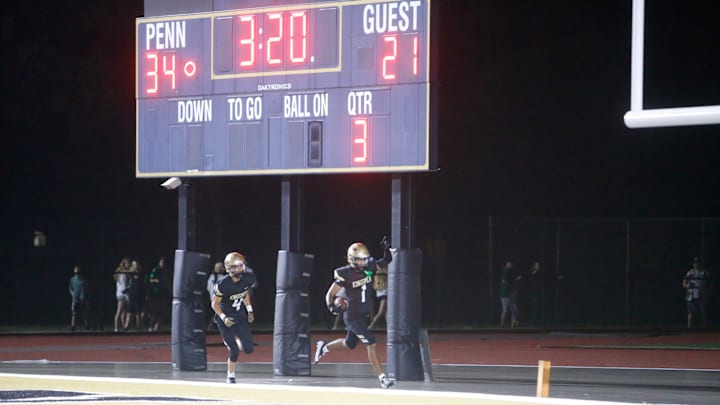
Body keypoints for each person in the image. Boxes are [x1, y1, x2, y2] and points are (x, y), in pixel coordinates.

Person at [314, 238, 394, 389]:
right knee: (371, 343)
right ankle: (382, 378)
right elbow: (330, 294)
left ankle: (324, 347)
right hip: (352, 316)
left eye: (365, 259)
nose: (364, 262)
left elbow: (385, 261)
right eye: (360, 259)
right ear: (352, 259)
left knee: (349, 344)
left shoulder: (369, 267)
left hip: (364, 315)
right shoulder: (345, 273)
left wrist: (386, 250)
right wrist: (331, 306)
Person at [211, 252, 257, 384]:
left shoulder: (248, 278)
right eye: (237, 266)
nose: (240, 269)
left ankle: (237, 339)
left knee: (249, 349)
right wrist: (224, 317)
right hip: (225, 320)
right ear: (229, 268)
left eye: (242, 265)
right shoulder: (223, 284)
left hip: (240, 317)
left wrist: (249, 310)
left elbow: (245, 292)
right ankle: (230, 375)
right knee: (234, 350)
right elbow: (214, 303)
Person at [683, 257, 712, 328]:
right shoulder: (690, 273)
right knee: (691, 312)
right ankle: (689, 328)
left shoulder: (705, 273)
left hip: (702, 294)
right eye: (695, 263)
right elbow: (684, 282)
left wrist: (708, 292)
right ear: (693, 264)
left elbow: (711, 283)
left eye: (698, 262)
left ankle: (703, 327)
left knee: (703, 311)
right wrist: (687, 285)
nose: (697, 264)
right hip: (692, 295)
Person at [145, 257, 171, 332]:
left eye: (164, 263)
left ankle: (157, 325)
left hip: (164, 294)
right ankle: (150, 326)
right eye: (161, 262)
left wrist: (170, 292)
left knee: (165, 312)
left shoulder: (166, 271)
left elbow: (168, 283)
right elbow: (150, 279)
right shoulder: (155, 270)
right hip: (156, 293)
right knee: (155, 311)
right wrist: (155, 280)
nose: (162, 264)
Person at [124, 260, 145, 331]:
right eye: (133, 265)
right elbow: (128, 275)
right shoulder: (131, 273)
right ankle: (126, 327)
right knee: (129, 312)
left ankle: (139, 328)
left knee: (137, 312)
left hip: (138, 295)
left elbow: (136, 278)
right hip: (131, 295)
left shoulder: (140, 274)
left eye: (136, 264)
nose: (134, 266)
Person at [68, 265, 89, 331]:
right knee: (74, 313)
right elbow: (70, 288)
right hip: (75, 299)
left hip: (83, 300)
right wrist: (73, 295)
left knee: (84, 313)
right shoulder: (72, 279)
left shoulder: (84, 280)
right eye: (76, 273)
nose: (77, 274)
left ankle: (87, 326)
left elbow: (86, 290)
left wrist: (86, 299)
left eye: (78, 272)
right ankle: (73, 326)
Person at [499, 261, 519, 327]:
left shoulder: (509, 275)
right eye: (508, 265)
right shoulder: (505, 274)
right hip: (506, 295)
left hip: (509, 295)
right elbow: (505, 282)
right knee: (507, 310)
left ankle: (512, 324)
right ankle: (502, 324)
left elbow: (510, 282)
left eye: (510, 265)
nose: (509, 266)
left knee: (513, 310)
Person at [113, 258, 131, 332]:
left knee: (123, 312)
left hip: (120, 294)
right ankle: (116, 328)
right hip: (122, 294)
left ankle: (123, 327)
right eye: (128, 263)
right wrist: (129, 287)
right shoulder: (123, 274)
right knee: (120, 311)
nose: (129, 265)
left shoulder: (120, 273)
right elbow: (124, 286)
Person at [206, 262, 226, 330]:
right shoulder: (223, 278)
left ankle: (214, 325)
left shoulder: (211, 277)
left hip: (212, 298)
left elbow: (208, 288)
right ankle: (212, 326)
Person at [525, 261, 545, 326]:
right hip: (533, 292)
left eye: (538, 265)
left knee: (538, 307)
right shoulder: (533, 273)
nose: (538, 266)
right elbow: (530, 280)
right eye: (537, 265)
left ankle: (538, 321)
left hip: (539, 292)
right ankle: (533, 322)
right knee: (535, 307)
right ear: (534, 266)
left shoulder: (540, 273)